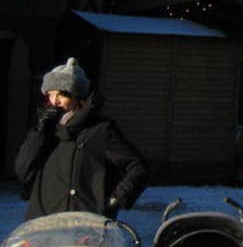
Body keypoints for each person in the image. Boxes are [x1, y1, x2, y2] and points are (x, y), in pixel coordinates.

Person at [13, 57, 148, 221]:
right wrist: (39, 133)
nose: (55, 101)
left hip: (87, 225)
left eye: (62, 94)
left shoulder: (100, 129)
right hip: (44, 225)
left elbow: (138, 166)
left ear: (77, 95)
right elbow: (23, 171)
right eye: (50, 94)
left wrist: (117, 198)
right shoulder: (46, 131)